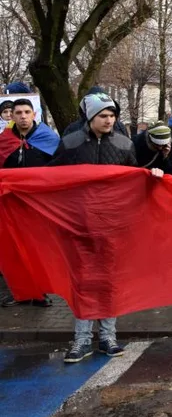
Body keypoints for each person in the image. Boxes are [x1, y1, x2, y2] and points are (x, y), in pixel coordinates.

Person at [51, 94, 141, 363]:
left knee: (109, 281)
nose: (109, 120)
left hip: (113, 224)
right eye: (103, 115)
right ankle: (81, 340)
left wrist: (154, 175)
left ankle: (108, 337)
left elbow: (134, 180)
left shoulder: (125, 144)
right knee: (83, 281)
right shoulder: (70, 144)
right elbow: (52, 178)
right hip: (79, 224)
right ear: (90, 117)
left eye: (112, 115)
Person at [0, 98, 59, 308]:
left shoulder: (49, 138)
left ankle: (40, 292)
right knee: (16, 250)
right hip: (11, 206)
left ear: (34, 114)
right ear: (12, 116)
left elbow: (59, 170)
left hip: (38, 205)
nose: (23, 116)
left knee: (38, 251)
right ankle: (22, 292)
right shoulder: (4, 140)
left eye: (27, 112)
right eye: (18, 113)